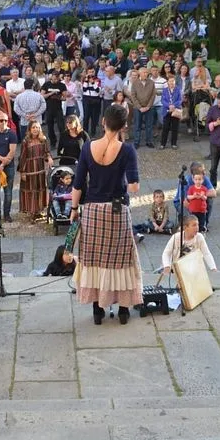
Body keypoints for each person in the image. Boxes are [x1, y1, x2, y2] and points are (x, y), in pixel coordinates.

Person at [70, 104, 142, 326]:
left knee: (95, 260)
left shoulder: (87, 147)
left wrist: (74, 209)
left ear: (103, 122)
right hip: (117, 209)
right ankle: (122, 310)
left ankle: (97, 310)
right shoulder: (127, 150)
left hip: (92, 210)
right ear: (124, 126)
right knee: (121, 261)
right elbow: (134, 187)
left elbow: (78, 183)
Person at [18, 121, 53, 218]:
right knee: (31, 189)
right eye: (33, 127)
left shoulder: (43, 140)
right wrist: (23, 171)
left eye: (37, 127)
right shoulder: (26, 141)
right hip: (29, 169)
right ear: (29, 129)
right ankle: (32, 211)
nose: (35, 129)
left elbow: (47, 152)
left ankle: (39, 210)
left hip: (40, 169)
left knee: (40, 188)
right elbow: (22, 157)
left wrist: (49, 158)